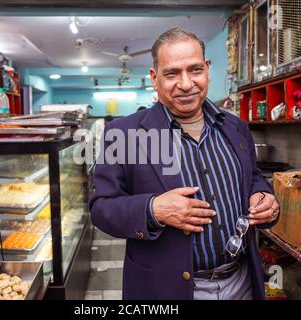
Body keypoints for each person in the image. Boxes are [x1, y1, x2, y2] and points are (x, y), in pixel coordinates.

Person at [89, 28, 279, 300]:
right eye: (172, 73)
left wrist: (264, 196)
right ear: (154, 78)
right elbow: (101, 208)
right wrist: (153, 209)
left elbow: (253, 178)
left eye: (195, 70)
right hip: (168, 289)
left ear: (207, 69)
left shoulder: (236, 127)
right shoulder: (125, 134)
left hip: (242, 283)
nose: (186, 83)